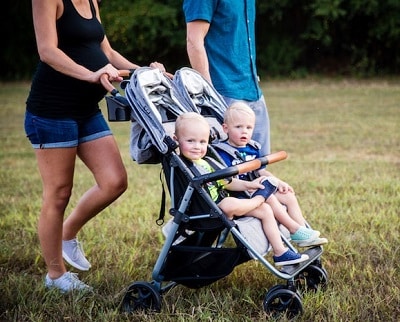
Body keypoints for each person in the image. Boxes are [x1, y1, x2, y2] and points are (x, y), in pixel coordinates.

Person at [25, 0, 167, 293]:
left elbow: (108, 54)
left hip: (86, 109)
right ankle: (55, 276)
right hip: (52, 110)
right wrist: (90, 74)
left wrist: (148, 71)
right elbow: (48, 51)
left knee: (114, 181)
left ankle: (66, 233)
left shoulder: (90, 0)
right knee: (59, 193)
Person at [173, 112, 311, 266]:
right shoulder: (182, 166)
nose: (197, 147)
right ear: (176, 140)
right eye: (190, 141)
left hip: (220, 203)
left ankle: (281, 253)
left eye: (202, 142)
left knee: (265, 210)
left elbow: (228, 183)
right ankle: (260, 198)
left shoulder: (207, 161)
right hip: (206, 210)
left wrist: (249, 185)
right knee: (229, 203)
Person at [213, 102, 328, 247]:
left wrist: (277, 181)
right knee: (270, 198)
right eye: (238, 127)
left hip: (256, 188)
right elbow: (226, 182)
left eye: (249, 128)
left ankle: (302, 232)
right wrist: (253, 185)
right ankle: (293, 229)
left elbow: (260, 170)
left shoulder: (252, 148)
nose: (244, 132)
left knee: (287, 195)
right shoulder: (223, 151)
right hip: (240, 194)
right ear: (225, 128)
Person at [183, 0, 271, 157]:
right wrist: (209, 93)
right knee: (227, 173)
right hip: (222, 93)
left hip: (253, 92)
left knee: (261, 166)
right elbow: (194, 40)